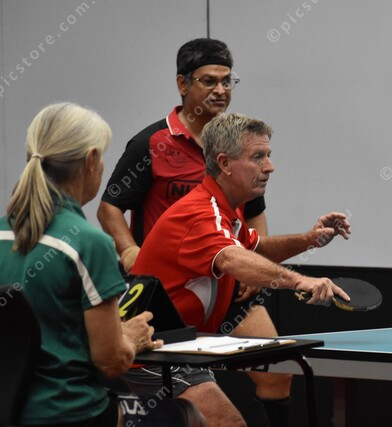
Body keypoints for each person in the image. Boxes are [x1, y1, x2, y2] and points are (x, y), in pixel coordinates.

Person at [96, 39, 291, 425]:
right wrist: (130, 252)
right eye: (209, 81)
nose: (221, 90)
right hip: (169, 291)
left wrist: (250, 265)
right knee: (184, 392)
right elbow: (109, 208)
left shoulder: (239, 144)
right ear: (183, 84)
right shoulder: (152, 143)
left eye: (227, 81)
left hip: (226, 282)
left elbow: (254, 212)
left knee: (278, 372)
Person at [126, 113, 351, 426]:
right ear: (225, 163)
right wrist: (301, 281)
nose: (270, 167)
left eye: (268, 155)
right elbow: (233, 259)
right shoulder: (199, 213)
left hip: (182, 346)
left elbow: (255, 248)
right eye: (258, 157)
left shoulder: (224, 212)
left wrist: (309, 239)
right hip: (151, 351)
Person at [0, 102, 204, 427]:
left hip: (11, 412)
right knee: (189, 416)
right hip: (72, 413)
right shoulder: (89, 243)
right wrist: (130, 338)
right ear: (92, 159)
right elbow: (111, 362)